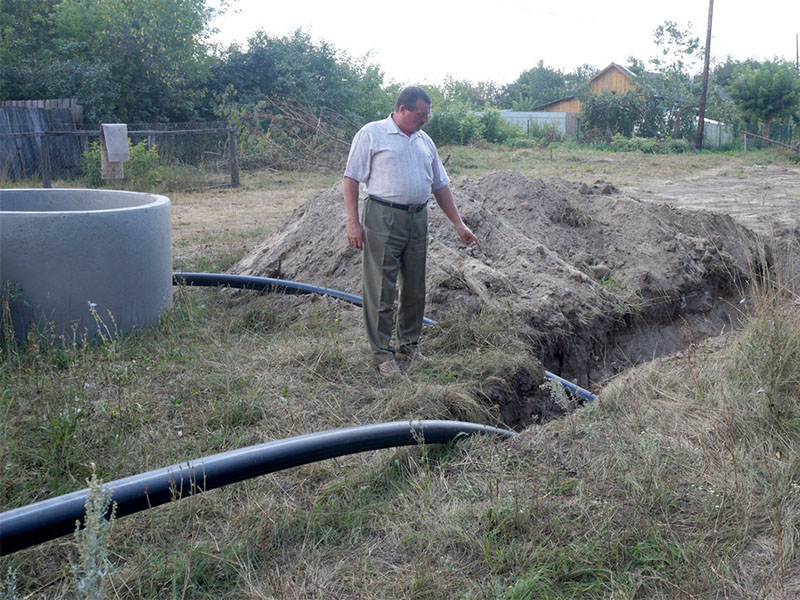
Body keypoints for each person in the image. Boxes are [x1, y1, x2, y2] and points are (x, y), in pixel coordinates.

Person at [343, 86, 478, 376]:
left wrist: (458, 223)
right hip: (382, 216)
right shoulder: (372, 134)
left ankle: (409, 345)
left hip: (418, 218)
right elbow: (351, 178)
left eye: (427, 114)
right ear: (403, 109)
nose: (425, 120)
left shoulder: (424, 141)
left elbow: (439, 185)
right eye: (421, 114)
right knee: (381, 287)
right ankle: (382, 353)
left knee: (415, 286)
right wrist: (353, 222)